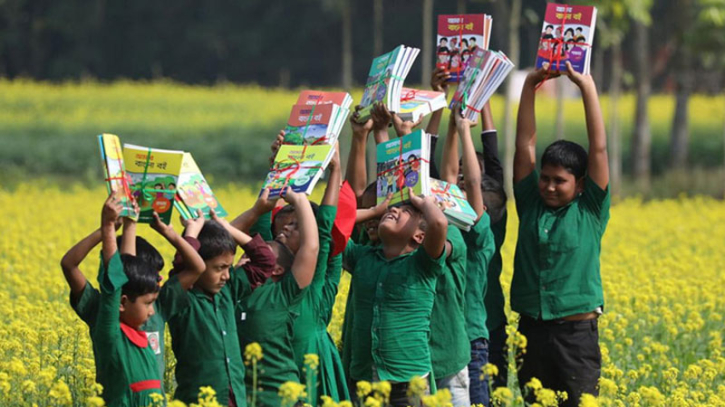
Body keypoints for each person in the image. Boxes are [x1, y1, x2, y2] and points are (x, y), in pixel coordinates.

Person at [513, 61, 610, 407]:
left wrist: (586, 87)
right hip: (532, 333)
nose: (549, 186)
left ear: (580, 183)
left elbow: (598, 149)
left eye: (560, 181)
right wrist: (529, 87)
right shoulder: (530, 203)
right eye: (545, 178)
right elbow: (524, 146)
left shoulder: (590, 209)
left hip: (576, 338)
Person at [62, 204, 206, 388]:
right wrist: (107, 231)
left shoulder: (158, 304)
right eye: (151, 275)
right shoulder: (101, 311)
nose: (157, 279)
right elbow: (70, 265)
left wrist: (169, 233)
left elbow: (197, 268)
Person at [160, 191, 279, 406]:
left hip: (235, 399)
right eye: (219, 268)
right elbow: (182, 264)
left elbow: (265, 261)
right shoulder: (182, 297)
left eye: (228, 267)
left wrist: (227, 228)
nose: (226, 275)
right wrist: (191, 232)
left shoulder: (227, 290)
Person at [89, 192, 201, 406]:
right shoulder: (111, 334)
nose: (152, 311)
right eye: (148, 303)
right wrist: (108, 226)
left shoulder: (143, 339)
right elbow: (114, 280)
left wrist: (132, 223)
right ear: (121, 303)